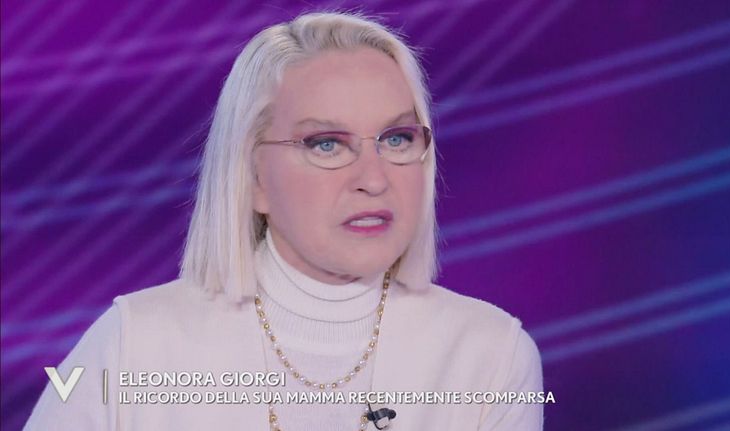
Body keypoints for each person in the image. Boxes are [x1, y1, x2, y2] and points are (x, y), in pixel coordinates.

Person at [23, 11, 544, 430]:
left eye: (396, 139)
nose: (374, 178)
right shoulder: (134, 343)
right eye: (326, 144)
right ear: (254, 177)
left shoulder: (491, 354)